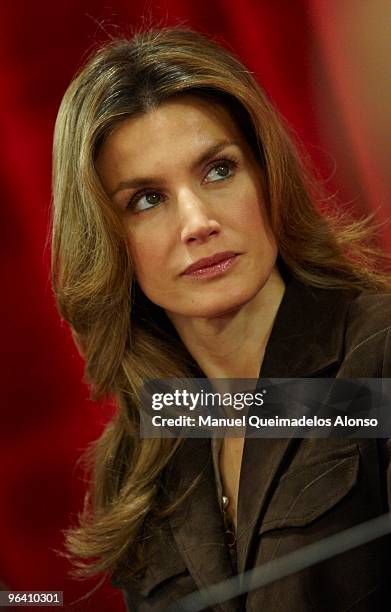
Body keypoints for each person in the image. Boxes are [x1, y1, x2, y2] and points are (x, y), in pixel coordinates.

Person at [51, 27, 391, 611]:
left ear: (266, 177)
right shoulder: (142, 449)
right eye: (147, 199)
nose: (197, 221)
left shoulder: (378, 356)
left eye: (218, 170)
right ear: (108, 243)